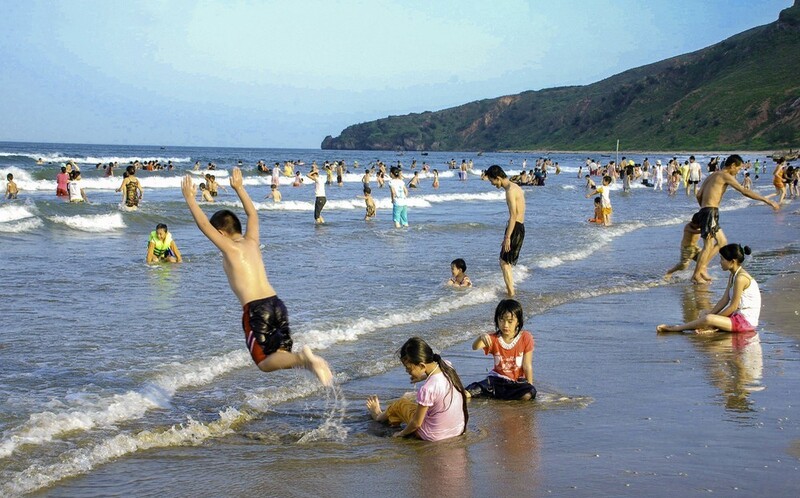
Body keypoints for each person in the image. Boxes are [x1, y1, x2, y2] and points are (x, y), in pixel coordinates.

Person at [181, 169, 332, 385]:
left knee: (263, 363)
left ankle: (304, 360)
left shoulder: (230, 249)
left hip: (256, 309)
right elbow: (253, 214)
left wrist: (190, 200)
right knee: (279, 354)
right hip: (277, 304)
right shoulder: (251, 241)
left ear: (221, 233)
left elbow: (204, 225)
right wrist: (239, 188)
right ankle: (307, 362)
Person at [691, 154, 779, 284]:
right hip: (710, 211)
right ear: (732, 165)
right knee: (708, 245)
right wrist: (766, 200)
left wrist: (704, 208)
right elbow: (744, 191)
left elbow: (699, 194)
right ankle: (697, 275)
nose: (738, 171)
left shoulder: (712, 175)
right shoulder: (726, 176)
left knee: (722, 242)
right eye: (738, 168)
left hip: (706, 211)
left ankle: (702, 268)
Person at [366, 337, 468, 441]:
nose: (407, 371)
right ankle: (393, 420)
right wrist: (422, 377)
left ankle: (378, 415)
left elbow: (416, 423)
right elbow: (436, 375)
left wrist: (401, 433)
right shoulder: (447, 366)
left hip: (432, 435)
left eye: (409, 368)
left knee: (400, 404)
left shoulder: (428, 389)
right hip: (457, 429)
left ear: (422, 366)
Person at [657, 244, 761, 334]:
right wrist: (713, 316)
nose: (720, 262)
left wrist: (713, 321)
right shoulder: (733, 275)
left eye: (722, 259)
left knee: (708, 319)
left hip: (745, 322)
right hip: (736, 316)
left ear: (732, 261)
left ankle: (677, 328)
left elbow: (733, 307)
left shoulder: (741, 278)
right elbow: (724, 300)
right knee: (704, 313)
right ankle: (714, 328)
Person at [465, 299, 536, 400]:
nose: (505, 325)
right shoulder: (494, 338)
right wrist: (481, 337)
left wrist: (530, 385)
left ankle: (501, 397)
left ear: (518, 322)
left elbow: (527, 365)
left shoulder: (526, 337)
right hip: (495, 381)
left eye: (510, 321)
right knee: (470, 391)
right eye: (501, 320)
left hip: (516, 383)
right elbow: (475, 347)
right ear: (497, 320)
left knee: (529, 394)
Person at [485, 165, 525, 297]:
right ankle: (510, 290)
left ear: (497, 178)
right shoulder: (514, 187)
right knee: (505, 262)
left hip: (515, 227)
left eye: (492, 181)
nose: (492, 184)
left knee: (504, 262)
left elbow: (513, 215)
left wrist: (508, 237)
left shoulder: (510, 191)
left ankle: (511, 293)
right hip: (517, 226)